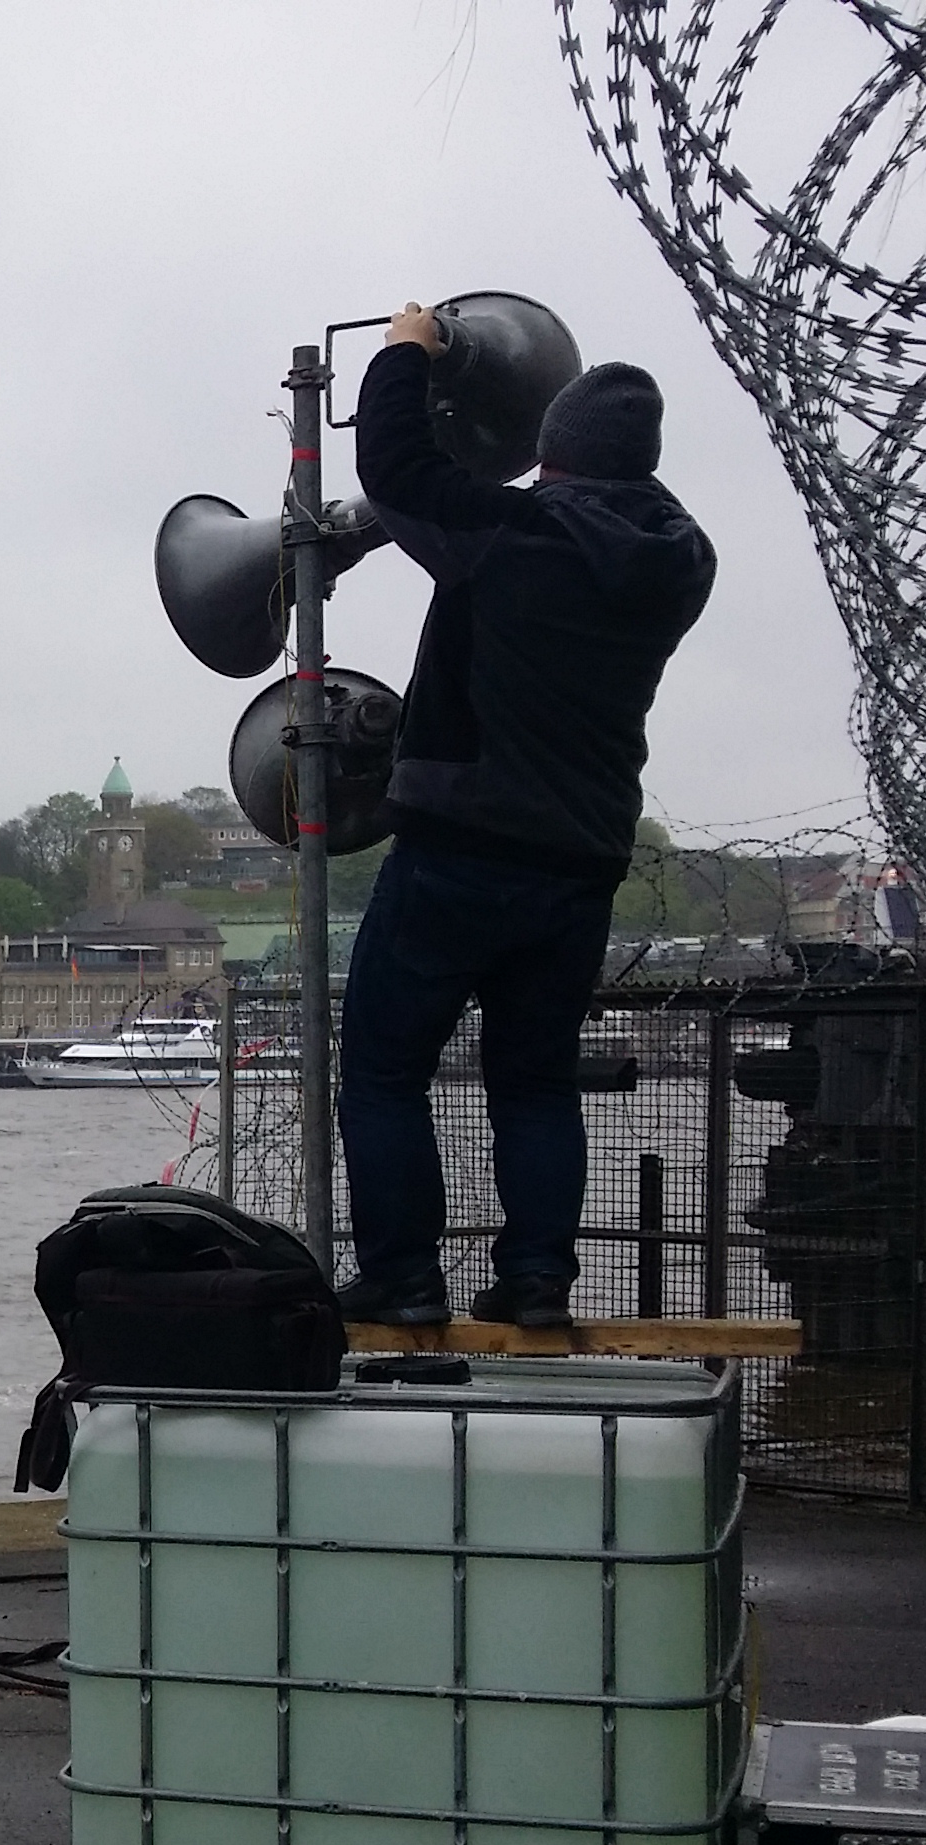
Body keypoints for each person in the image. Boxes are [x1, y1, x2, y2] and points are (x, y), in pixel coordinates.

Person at [334, 303, 716, 1330]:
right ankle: (538, 1279)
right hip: (582, 862)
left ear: (552, 456)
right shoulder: (682, 560)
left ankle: (404, 1277)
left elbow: (399, 473)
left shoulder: (512, 532)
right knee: (535, 1083)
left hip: (460, 849)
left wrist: (402, 352)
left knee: (381, 1069)